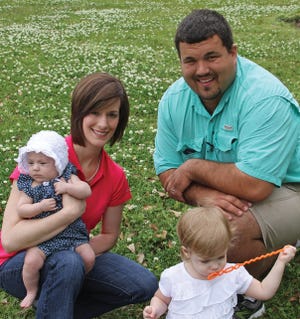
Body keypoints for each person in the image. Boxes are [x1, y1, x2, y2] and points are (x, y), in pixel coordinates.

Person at [153, 9, 300, 318]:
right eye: (190, 61)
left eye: (212, 57)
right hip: (236, 188)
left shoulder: (265, 99)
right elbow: (167, 171)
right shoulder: (173, 100)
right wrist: (200, 195)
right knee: (208, 229)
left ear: (233, 52)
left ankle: (246, 287)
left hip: (288, 186)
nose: (201, 70)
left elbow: (255, 186)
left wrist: (192, 168)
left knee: (226, 232)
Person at [0, 72, 158, 318]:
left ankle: (56, 303)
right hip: (20, 262)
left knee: (143, 283)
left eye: (112, 114)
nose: (103, 123)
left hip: (74, 251)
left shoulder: (115, 175)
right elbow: (10, 240)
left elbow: (108, 236)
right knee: (68, 262)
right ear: (79, 112)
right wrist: (70, 213)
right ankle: (55, 300)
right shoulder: (44, 157)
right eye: (95, 112)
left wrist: (76, 247)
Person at [143, 207, 296, 319]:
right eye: (205, 260)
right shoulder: (173, 276)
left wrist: (280, 263)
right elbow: (161, 299)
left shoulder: (234, 274)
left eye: (220, 256)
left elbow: (264, 291)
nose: (215, 265)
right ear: (186, 253)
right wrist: (155, 309)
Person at [15, 130, 95, 309]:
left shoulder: (66, 176)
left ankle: (75, 284)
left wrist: (68, 188)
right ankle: (32, 291)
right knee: (31, 262)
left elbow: (86, 190)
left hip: (72, 234)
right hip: (44, 237)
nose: (35, 168)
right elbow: (21, 209)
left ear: (58, 163)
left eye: (42, 163)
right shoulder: (29, 184)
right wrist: (39, 207)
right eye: (31, 163)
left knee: (88, 257)